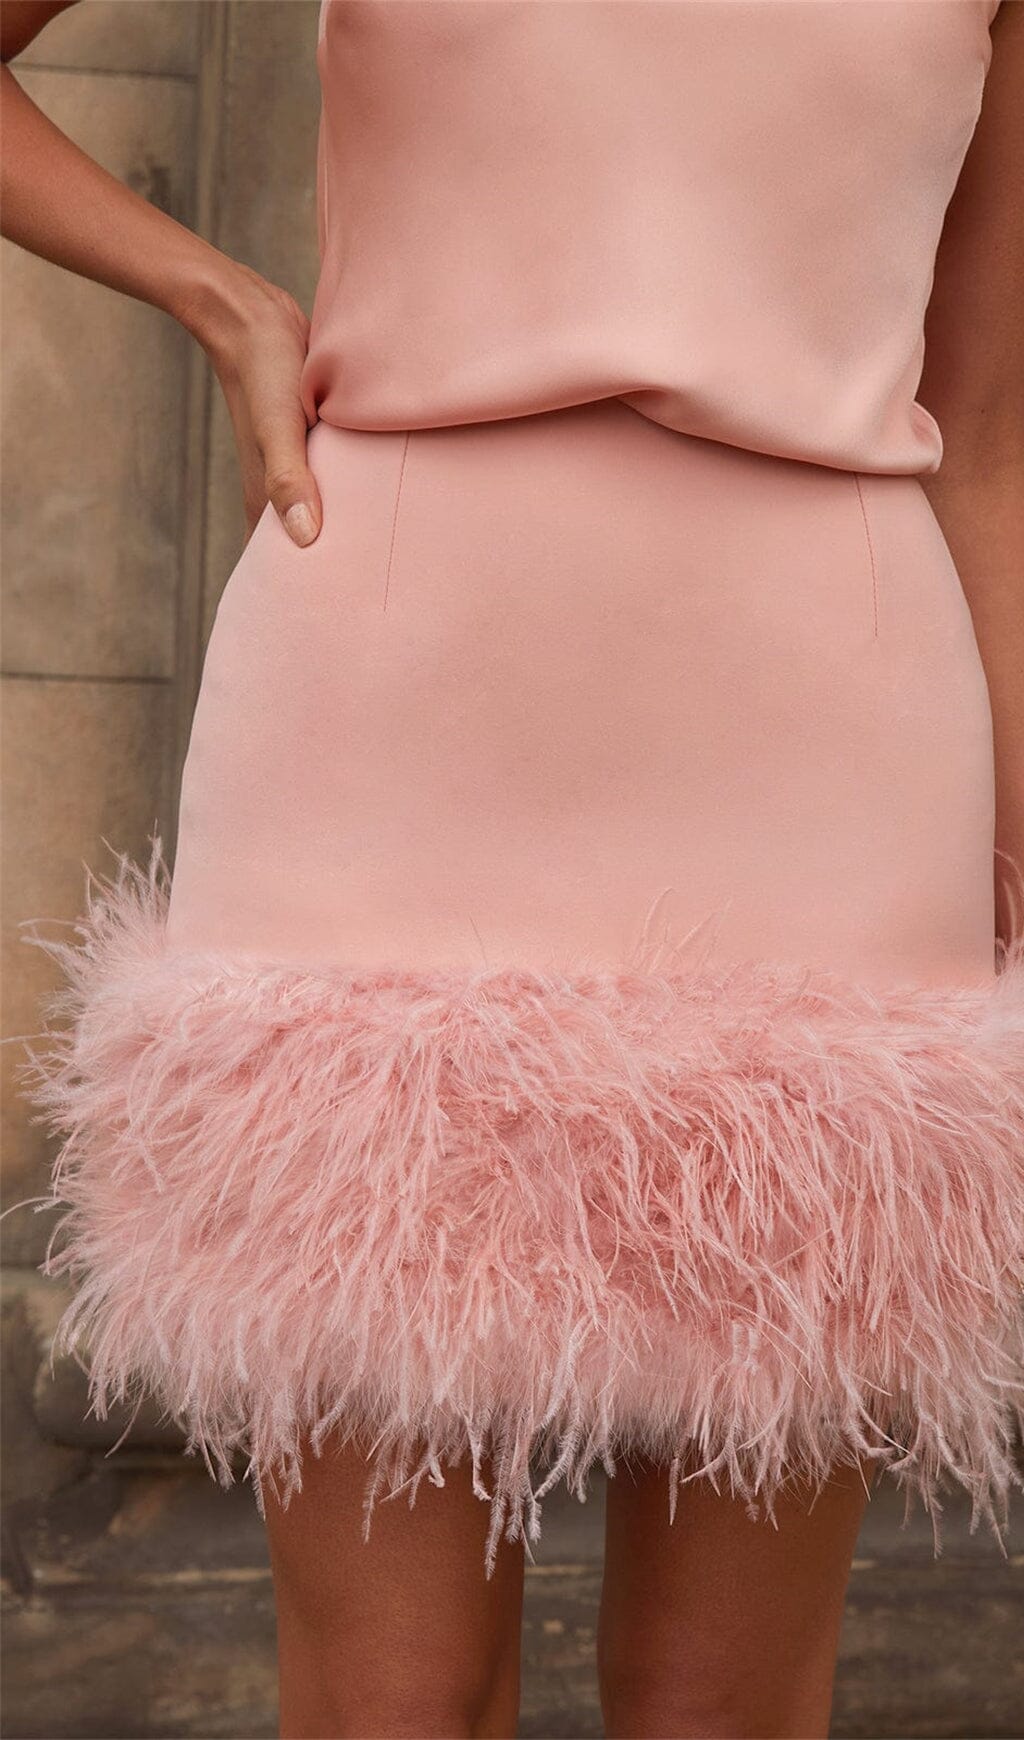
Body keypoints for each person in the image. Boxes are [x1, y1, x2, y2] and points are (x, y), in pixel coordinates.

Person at [4, 1, 1023, 1736]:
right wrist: (222, 299)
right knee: (390, 1702)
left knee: (723, 1711)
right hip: (383, 735)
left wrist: (1007, 833)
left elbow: (988, 428)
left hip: (833, 772)